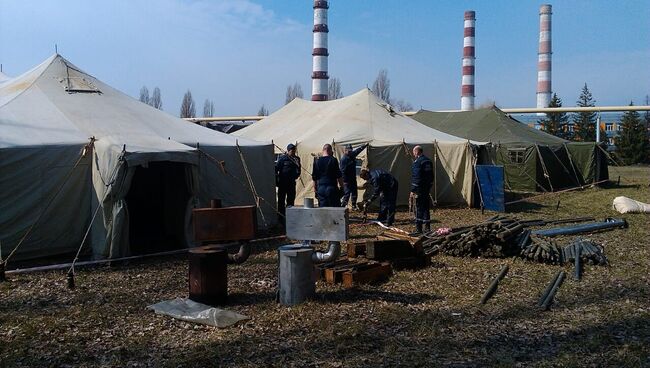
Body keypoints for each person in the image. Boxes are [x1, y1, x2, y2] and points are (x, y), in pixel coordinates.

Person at [410, 145, 434, 234]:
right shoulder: (428, 161)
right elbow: (431, 176)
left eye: (414, 153)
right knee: (426, 207)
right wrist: (429, 186)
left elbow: (416, 177)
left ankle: (418, 228)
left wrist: (413, 190)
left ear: (417, 152)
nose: (413, 155)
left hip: (419, 189)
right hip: (426, 188)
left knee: (419, 208)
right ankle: (427, 228)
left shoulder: (418, 162)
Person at [275, 143, 301, 224]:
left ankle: (290, 217)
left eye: (294, 150)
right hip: (283, 183)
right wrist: (277, 181)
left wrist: (297, 175)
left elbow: (299, 169)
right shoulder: (283, 159)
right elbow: (276, 170)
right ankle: (281, 218)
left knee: (291, 200)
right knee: (281, 201)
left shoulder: (296, 159)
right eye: (292, 150)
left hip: (291, 183)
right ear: (288, 150)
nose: (293, 152)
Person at [340, 143, 369, 210]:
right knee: (347, 193)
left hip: (352, 178)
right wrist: (344, 181)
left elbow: (358, 150)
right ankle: (343, 206)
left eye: (350, 150)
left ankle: (353, 205)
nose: (350, 152)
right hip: (346, 179)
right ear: (345, 150)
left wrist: (364, 145)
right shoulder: (344, 159)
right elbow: (342, 172)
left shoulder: (352, 155)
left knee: (354, 192)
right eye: (348, 150)